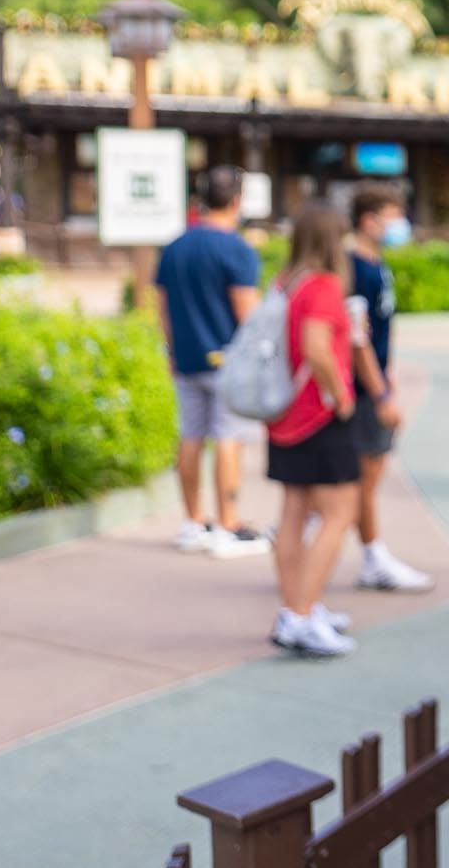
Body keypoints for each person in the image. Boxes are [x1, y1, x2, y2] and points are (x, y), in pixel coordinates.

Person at [152, 166, 271, 558]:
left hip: (185, 358)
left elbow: (163, 308)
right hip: (227, 362)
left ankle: (192, 522)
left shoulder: (175, 246)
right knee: (228, 438)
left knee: (191, 437)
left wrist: (171, 350)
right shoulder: (236, 249)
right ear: (236, 200)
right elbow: (248, 317)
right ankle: (228, 524)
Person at [267, 201, 360, 658]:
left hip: (284, 412)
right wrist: (342, 396)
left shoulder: (284, 283)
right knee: (340, 512)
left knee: (293, 511)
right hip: (318, 414)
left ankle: (295, 609)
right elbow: (316, 348)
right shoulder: (323, 285)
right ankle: (303, 615)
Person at [345, 187, 433, 594]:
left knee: (369, 471)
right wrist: (379, 393)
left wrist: (388, 372)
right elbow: (356, 338)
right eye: (392, 216)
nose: (399, 225)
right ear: (369, 219)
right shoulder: (355, 268)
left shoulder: (376, 264)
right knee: (365, 472)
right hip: (363, 388)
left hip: (376, 379)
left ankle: (366, 550)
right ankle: (371, 555)